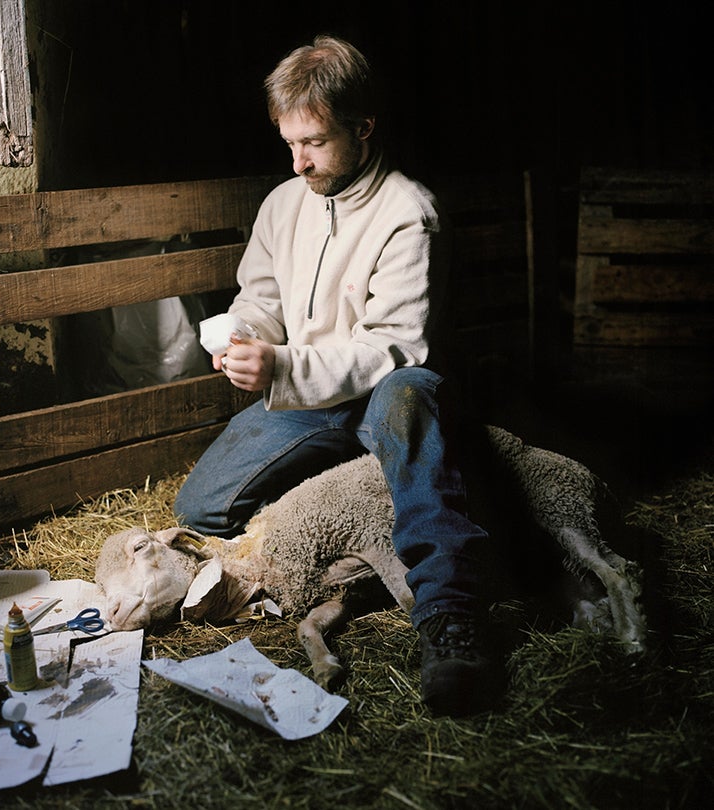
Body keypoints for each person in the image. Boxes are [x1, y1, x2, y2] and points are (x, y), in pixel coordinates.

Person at [175, 35, 500, 716]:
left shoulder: (409, 214)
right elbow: (262, 298)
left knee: (410, 395)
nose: (298, 162)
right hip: (312, 397)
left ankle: (450, 616)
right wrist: (244, 336)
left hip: (386, 391)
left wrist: (282, 364)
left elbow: (394, 347)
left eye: (315, 143)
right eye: (290, 143)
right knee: (200, 509)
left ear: (363, 128)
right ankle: (369, 503)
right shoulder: (283, 203)